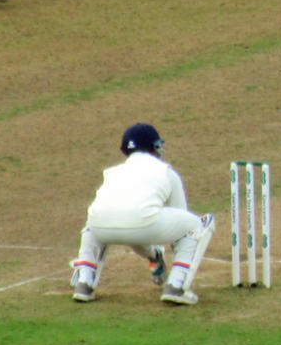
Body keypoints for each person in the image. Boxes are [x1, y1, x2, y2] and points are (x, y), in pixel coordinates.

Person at [70, 123, 216, 305]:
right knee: (197, 225)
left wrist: (151, 252)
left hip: (102, 228)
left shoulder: (112, 173)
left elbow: (124, 218)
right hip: (144, 225)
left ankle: (84, 281)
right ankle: (176, 284)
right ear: (153, 147)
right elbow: (181, 219)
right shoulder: (166, 171)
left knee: (95, 222)